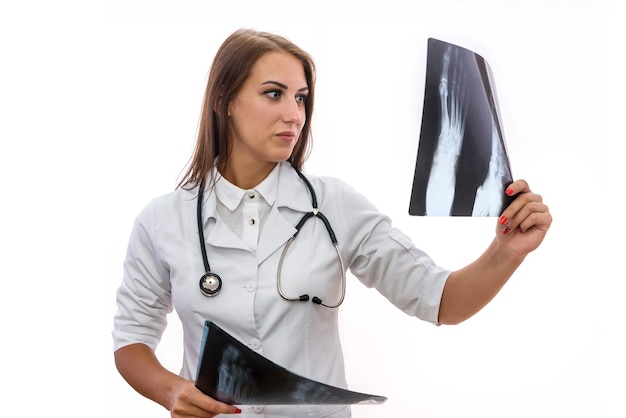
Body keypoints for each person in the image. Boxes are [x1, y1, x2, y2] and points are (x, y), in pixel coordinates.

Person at [112, 28, 552, 418]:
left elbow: (439, 300)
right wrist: (172, 391)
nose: (294, 115)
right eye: (274, 93)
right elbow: (131, 339)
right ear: (223, 100)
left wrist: (505, 252)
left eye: (301, 98)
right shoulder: (162, 221)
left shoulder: (335, 206)